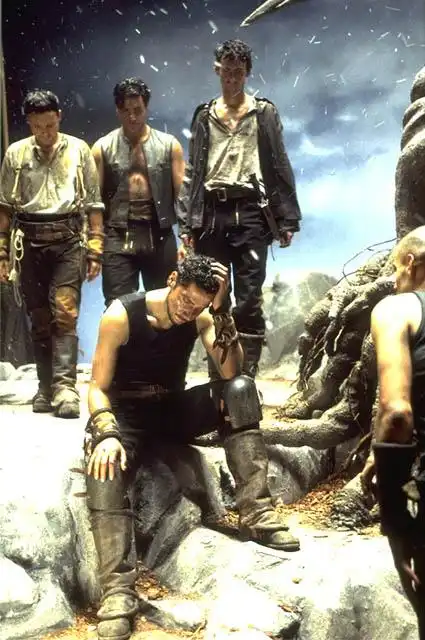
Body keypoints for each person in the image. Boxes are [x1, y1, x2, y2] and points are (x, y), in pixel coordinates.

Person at [85, 253, 300, 640]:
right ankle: (117, 591)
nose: (188, 310)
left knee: (240, 389)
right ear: (172, 280)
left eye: (198, 305)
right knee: (104, 465)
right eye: (185, 299)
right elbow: (97, 388)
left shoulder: (202, 315)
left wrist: (221, 311)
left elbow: (232, 372)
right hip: (126, 415)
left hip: (171, 409)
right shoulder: (121, 315)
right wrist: (106, 432)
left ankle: (256, 514)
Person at [177, 39, 302, 378]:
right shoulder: (205, 115)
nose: (232, 77)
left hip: (251, 213)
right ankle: (221, 376)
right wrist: (187, 223)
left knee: (249, 299)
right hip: (212, 215)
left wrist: (287, 217)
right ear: (217, 71)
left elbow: (279, 163)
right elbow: (194, 170)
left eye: (238, 71)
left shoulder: (263, 113)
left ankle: (245, 378)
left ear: (247, 72)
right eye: (226, 71)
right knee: (214, 296)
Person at [0, 89, 104, 418]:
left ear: (59, 116)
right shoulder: (16, 154)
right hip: (29, 243)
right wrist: (2, 253)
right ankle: (45, 386)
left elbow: (93, 203)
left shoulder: (79, 150)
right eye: (37, 127)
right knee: (39, 317)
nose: (44, 133)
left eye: (49, 125)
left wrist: (95, 250)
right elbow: (5, 208)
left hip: (68, 240)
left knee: (66, 312)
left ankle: (65, 387)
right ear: (29, 123)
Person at [370, 226, 425, 638]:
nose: (393, 279)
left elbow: (397, 413)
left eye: (395, 269)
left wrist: (392, 512)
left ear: (408, 262)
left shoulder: (396, 309)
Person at [92, 77, 185, 306]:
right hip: (118, 234)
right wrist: (94, 242)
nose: (132, 117)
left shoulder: (169, 145)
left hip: (159, 231)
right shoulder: (102, 148)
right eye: (126, 111)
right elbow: (93, 201)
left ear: (146, 108)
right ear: (118, 110)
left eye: (138, 110)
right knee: (117, 307)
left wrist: (187, 236)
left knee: (168, 304)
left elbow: (182, 195)